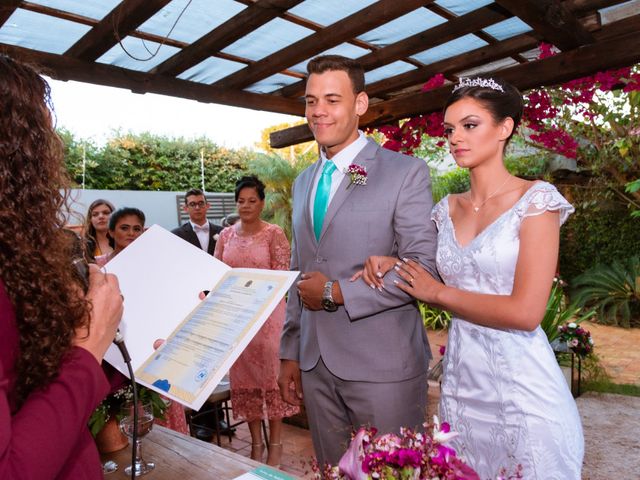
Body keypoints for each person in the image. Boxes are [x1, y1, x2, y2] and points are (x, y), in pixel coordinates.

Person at [360, 76, 584, 478]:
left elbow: (526, 312)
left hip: (524, 395)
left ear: (504, 128)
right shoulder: (445, 209)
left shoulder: (536, 201)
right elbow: (431, 266)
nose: (455, 138)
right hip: (461, 391)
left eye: (470, 125)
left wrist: (438, 294)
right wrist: (392, 262)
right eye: (449, 129)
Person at [277, 55, 438, 467]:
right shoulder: (303, 181)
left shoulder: (405, 172)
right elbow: (299, 271)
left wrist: (336, 292)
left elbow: (423, 266)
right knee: (333, 472)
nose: (318, 111)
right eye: (311, 101)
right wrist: (290, 353)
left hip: (383, 367)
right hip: (315, 366)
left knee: (392, 474)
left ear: (361, 104)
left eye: (332, 99)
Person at [0, 54, 124, 479]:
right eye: (42, 139)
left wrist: (114, 345)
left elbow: (39, 385)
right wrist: (87, 347)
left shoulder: (16, 257)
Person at [215, 175, 299, 467]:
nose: (246, 206)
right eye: (241, 201)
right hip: (237, 320)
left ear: (262, 203)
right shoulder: (226, 235)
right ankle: (256, 444)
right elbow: (216, 274)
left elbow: (282, 277)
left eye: (252, 200)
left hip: (269, 318)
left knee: (271, 383)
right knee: (246, 384)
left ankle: (275, 444)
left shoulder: (274, 233)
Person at [94, 207, 189, 435]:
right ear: (111, 231)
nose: (131, 233)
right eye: (124, 228)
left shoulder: (155, 264)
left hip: (153, 345)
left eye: (137, 228)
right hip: (115, 350)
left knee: (162, 408)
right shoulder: (99, 268)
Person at [172, 188, 223, 255]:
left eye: (201, 203)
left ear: (207, 206)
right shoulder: (176, 235)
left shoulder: (222, 232)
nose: (197, 208)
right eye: (192, 204)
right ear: (185, 208)